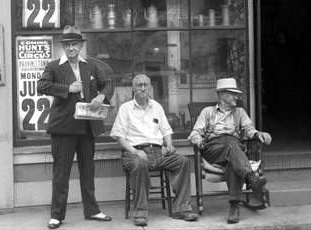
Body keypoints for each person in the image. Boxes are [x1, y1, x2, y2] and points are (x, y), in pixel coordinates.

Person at [37, 25, 114, 229]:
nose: (71, 48)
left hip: (87, 128)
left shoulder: (91, 66)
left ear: (80, 46)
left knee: (87, 171)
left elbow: (108, 83)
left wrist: (101, 95)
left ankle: (92, 211)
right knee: (60, 172)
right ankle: (56, 215)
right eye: (68, 45)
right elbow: (41, 86)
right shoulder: (54, 66)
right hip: (63, 128)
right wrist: (66, 88)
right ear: (63, 47)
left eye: (75, 44)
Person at [110, 74, 199, 227]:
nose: (143, 88)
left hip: (157, 152)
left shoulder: (156, 106)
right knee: (140, 164)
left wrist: (169, 145)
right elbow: (118, 136)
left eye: (146, 85)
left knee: (183, 161)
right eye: (139, 85)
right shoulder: (125, 108)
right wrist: (135, 151)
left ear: (150, 87)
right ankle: (140, 212)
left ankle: (181, 208)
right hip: (134, 152)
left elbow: (166, 130)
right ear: (133, 88)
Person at [188, 77, 272, 224]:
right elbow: (196, 131)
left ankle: (234, 208)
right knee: (231, 147)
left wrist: (259, 134)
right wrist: (197, 138)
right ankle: (252, 178)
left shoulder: (240, 112)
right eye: (232, 93)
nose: (236, 96)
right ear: (221, 95)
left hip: (234, 148)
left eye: (236, 94)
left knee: (233, 161)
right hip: (214, 148)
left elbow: (249, 130)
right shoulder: (208, 112)